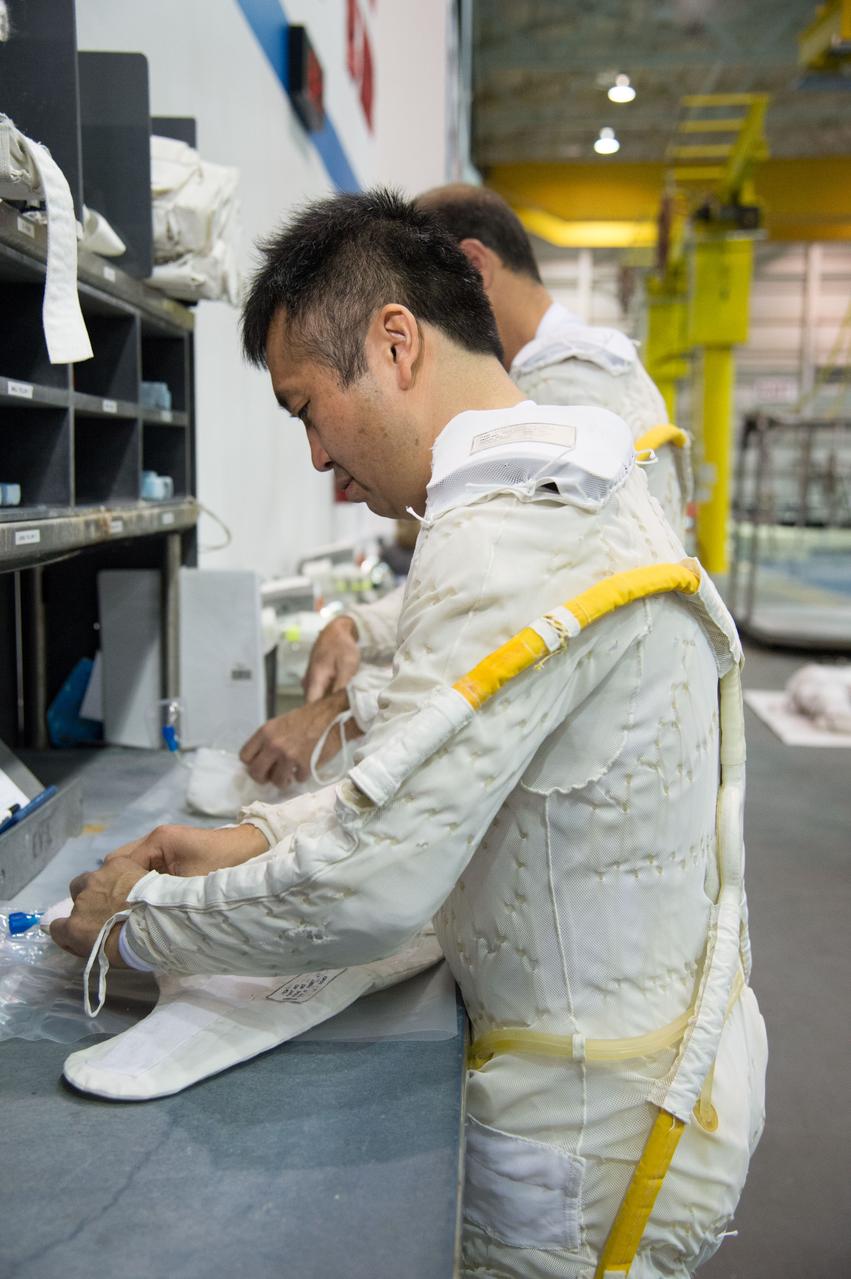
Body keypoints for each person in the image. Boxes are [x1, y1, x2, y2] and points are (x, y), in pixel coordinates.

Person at [53, 190, 765, 1279]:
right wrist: (249, 842)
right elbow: (431, 767)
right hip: (645, 1077)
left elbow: (367, 887)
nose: (310, 457)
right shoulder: (574, 486)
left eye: (303, 407)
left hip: (580, 1137)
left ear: (394, 344)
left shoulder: (508, 535)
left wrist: (139, 921)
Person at [240, 183, 691, 789]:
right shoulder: (575, 393)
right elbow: (495, 585)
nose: (319, 456)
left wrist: (343, 713)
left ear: (470, 270)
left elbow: (500, 617)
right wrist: (362, 628)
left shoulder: (566, 405)